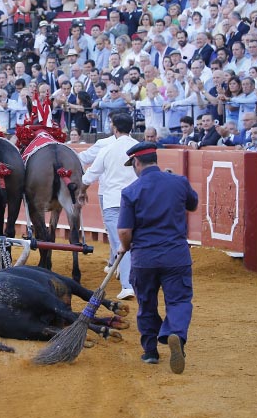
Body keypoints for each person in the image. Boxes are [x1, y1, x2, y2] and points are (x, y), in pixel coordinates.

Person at [118, 141, 198, 374]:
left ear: (136, 162)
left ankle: (151, 351)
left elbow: (124, 231)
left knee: (147, 303)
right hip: (175, 254)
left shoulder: (131, 191)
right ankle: (175, 334)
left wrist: (125, 246)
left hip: (145, 257)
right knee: (179, 300)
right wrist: (176, 181)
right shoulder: (179, 182)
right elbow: (192, 205)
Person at [81, 113, 138, 300]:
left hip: (114, 201)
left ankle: (128, 285)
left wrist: (82, 190)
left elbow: (89, 176)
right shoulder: (139, 147)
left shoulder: (107, 148)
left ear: (114, 128)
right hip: (138, 201)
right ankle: (139, 281)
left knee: (120, 243)